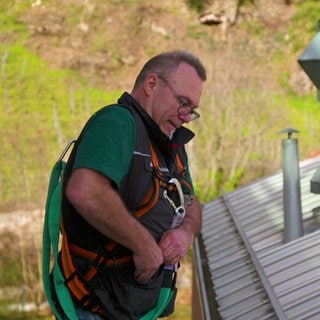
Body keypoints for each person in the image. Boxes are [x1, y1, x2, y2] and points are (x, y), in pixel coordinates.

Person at [60, 50, 207, 320]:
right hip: (97, 307)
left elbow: (191, 201)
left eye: (192, 110)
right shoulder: (117, 123)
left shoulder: (171, 144)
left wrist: (185, 233)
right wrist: (143, 245)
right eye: (183, 102)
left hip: (137, 307)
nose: (187, 116)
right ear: (152, 84)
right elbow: (86, 190)